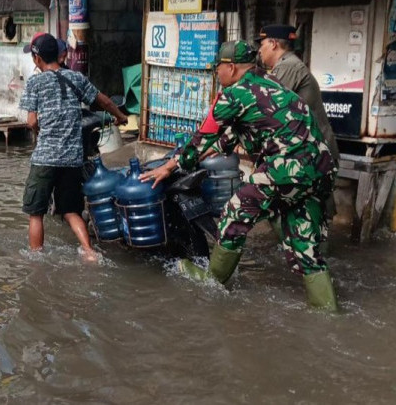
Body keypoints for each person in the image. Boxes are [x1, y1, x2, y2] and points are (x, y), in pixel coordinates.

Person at [140, 41, 339, 311]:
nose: (217, 74)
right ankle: (327, 311)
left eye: (217, 69)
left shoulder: (234, 94)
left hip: (288, 166)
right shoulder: (269, 83)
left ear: (231, 67)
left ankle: (213, 280)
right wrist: (202, 154)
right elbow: (231, 136)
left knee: (236, 210)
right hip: (321, 167)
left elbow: (203, 136)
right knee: (305, 244)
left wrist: (171, 165)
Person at [19, 33, 128, 261]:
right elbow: (104, 101)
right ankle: (89, 252)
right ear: (58, 55)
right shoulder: (76, 78)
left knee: (35, 213)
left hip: (45, 158)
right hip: (72, 158)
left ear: (37, 59)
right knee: (71, 210)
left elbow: (31, 121)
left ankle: (36, 259)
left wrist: (39, 131)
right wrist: (120, 117)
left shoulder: (35, 82)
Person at [256, 24, 340, 248]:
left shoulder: (290, 66)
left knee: (315, 212)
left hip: (315, 152)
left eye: (262, 45)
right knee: (289, 208)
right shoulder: (285, 67)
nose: (260, 51)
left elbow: (266, 107)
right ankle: (302, 255)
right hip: (303, 151)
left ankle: (315, 261)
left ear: (273, 44)